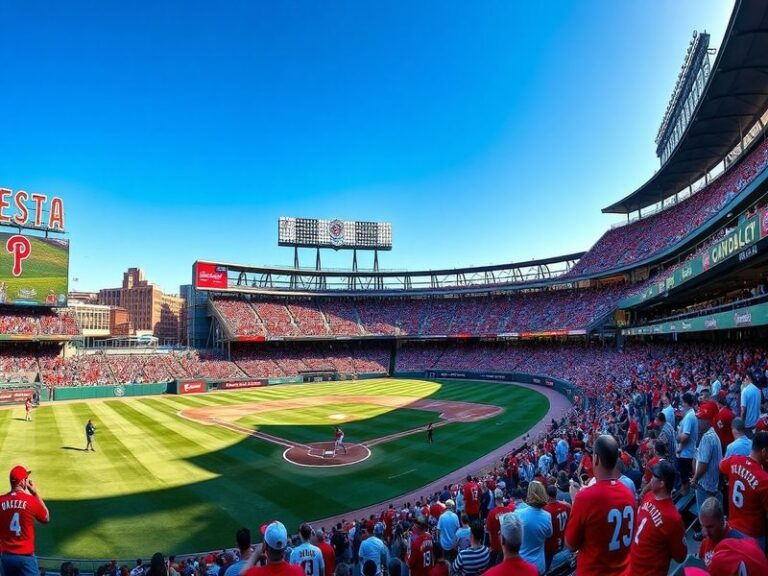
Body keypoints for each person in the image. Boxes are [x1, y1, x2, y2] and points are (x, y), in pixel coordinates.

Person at [565, 435, 636, 576]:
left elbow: (571, 544)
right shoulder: (628, 493)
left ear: (596, 459)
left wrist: (574, 501)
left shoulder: (585, 497)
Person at [627, 461, 687, 576]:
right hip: (631, 568)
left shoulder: (673, 519)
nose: (651, 478)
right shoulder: (649, 496)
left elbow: (680, 556)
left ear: (662, 483)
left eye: (654, 476)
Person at [718, 430, 768, 546]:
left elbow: (721, 466)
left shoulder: (734, 460)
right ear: (764, 452)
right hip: (753, 537)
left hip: (732, 529)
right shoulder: (764, 480)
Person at [0, 466, 50, 576]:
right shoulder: (31, 500)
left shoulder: (1, 501)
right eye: (26, 479)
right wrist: (35, 494)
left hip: (5, 558)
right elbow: (46, 518)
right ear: (22, 482)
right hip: (26, 559)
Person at [513, 481, 552, 575]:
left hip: (522, 566)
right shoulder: (547, 516)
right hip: (539, 565)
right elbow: (549, 535)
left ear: (529, 494)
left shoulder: (518, 514)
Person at [697, 497, 747, 569]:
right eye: (702, 526)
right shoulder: (706, 541)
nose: (706, 533)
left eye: (710, 527)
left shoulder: (738, 543)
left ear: (722, 521)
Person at [690, 416, 722, 512]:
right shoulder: (710, 435)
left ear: (708, 421)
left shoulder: (707, 437)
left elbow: (703, 465)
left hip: (704, 485)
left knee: (704, 514)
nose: (698, 422)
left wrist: (695, 479)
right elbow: (697, 457)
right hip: (708, 483)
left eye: (701, 419)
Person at [543, 485, 570, 572]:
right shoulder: (565, 506)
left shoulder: (546, 510)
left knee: (549, 568)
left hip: (550, 544)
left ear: (547, 495)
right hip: (563, 540)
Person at [676, 392, 698, 494]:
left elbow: (685, 437)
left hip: (686, 454)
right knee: (686, 478)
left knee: (685, 480)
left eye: (682, 402)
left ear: (686, 403)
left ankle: (685, 496)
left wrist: (677, 438)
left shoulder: (689, 416)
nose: (681, 404)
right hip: (687, 452)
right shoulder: (690, 414)